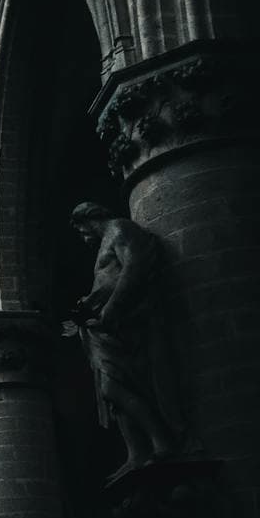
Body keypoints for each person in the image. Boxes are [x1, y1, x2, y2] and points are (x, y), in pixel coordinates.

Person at [67, 201, 184, 475]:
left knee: (115, 386)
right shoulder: (106, 240)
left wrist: (113, 307)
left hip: (124, 321)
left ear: (89, 219)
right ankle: (137, 452)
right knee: (110, 393)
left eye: (81, 230)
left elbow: (134, 267)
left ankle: (161, 440)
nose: (83, 238)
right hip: (104, 326)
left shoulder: (120, 229)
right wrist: (90, 304)